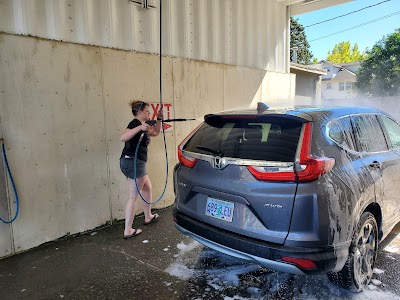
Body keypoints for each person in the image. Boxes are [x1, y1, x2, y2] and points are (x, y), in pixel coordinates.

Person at [120, 100, 163, 239]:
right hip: (133, 162)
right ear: (139, 112)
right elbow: (123, 137)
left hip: (135, 162)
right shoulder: (135, 124)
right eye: (146, 111)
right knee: (133, 196)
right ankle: (128, 230)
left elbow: (156, 132)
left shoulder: (143, 126)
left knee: (147, 187)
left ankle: (148, 216)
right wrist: (140, 128)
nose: (149, 112)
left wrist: (159, 120)